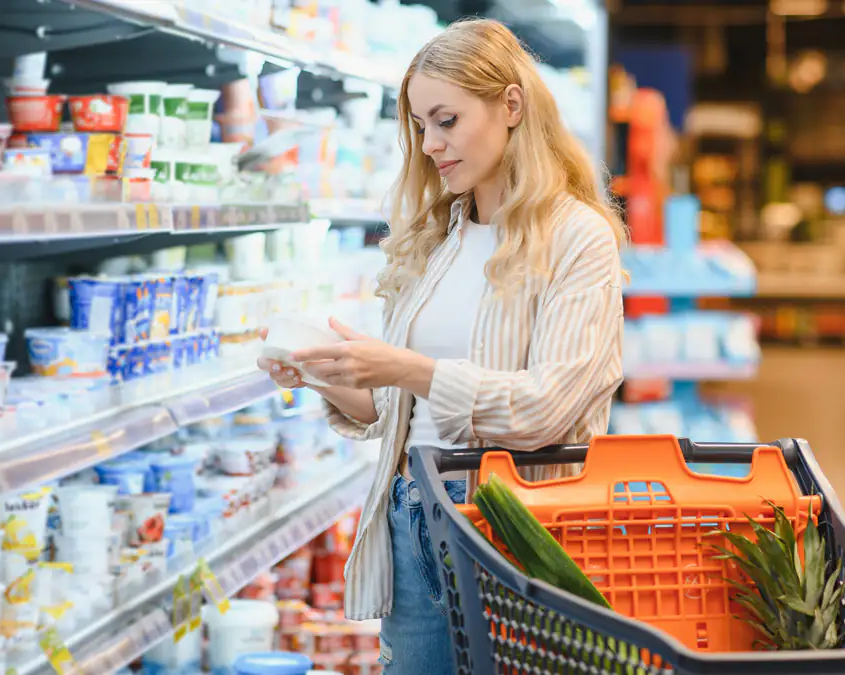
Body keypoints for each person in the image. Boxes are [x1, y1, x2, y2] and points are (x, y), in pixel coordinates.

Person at [257, 18, 626, 675]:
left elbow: (544, 410)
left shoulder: (577, 238)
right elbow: (391, 410)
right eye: (420, 126)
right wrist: (322, 371)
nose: (430, 143)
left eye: (446, 120)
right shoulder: (436, 237)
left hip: (512, 531)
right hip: (412, 515)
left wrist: (408, 366)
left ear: (510, 106)